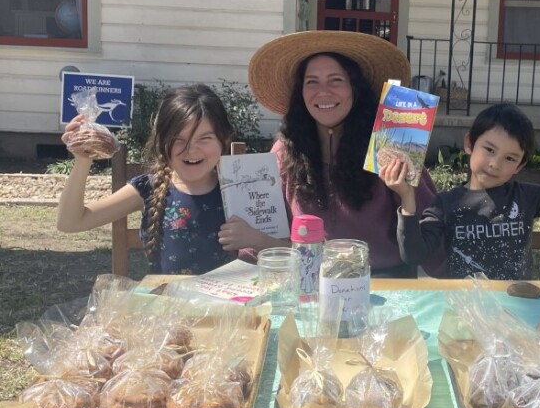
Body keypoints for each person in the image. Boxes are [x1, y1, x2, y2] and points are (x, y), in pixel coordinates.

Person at [247, 31, 443, 276]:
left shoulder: (392, 140)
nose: (324, 92)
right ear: (301, 93)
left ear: (355, 88)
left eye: (336, 80)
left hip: (386, 284)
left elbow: (430, 226)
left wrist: (406, 194)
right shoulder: (285, 151)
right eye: (312, 82)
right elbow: (265, 227)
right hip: (311, 283)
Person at [383, 102, 540, 280]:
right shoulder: (444, 205)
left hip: (515, 306)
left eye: (510, 158)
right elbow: (414, 255)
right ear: (470, 144)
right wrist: (407, 196)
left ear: (519, 166)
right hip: (466, 311)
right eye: (489, 149)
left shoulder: (526, 198)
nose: (495, 164)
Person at [56, 84, 263, 274]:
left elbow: (288, 247)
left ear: (224, 139)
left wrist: (257, 239)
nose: (191, 149)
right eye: (178, 139)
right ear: (161, 141)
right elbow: (70, 223)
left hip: (225, 310)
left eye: (205, 138)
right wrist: (82, 161)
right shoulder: (150, 187)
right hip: (168, 309)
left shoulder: (242, 188)